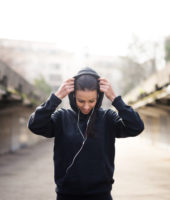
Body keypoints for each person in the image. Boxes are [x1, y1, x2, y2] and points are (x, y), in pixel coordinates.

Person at [28, 67, 144, 200]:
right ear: (73, 97)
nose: (86, 106)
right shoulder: (61, 117)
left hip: (101, 195)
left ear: (99, 97)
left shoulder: (108, 118)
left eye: (92, 101)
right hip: (66, 195)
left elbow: (136, 127)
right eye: (81, 101)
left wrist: (114, 98)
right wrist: (56, 97)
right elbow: (35, 125)